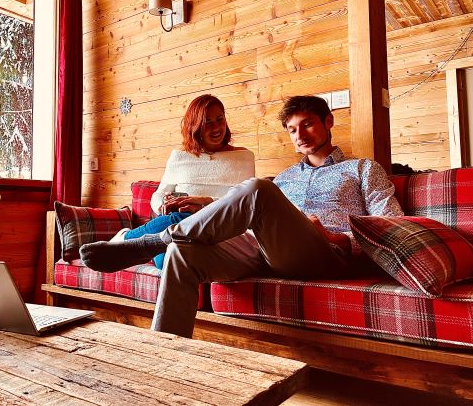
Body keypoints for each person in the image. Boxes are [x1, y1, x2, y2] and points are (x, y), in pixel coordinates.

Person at [80, 95, 403, 338]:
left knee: (258, 189)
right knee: (183, 253)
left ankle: (155, 241)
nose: (299, 134)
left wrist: (335, 238)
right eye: (292, 129)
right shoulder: (286, 176)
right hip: (265, 250)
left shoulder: (361, 169)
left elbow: (391, 228)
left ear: (328, 122)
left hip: (326, 254)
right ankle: (165, 358)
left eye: (307, 124)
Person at [115, 94, 255, 269]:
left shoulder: (243, 158)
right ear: (195, 127)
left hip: (219, 230)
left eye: (220, 119)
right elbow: (157, 195)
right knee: (166, 259)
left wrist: (202, 206)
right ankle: (130, 245)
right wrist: (164, 204)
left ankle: (122, 242)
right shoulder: (179, 157)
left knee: (184, 218)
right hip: (177, 229)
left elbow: (243, 204)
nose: (216, 127)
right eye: (207, 123)